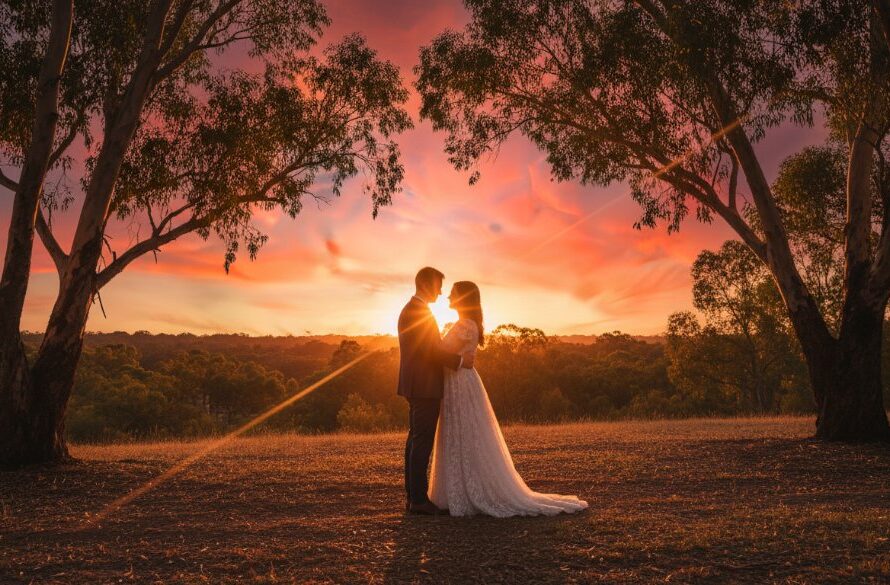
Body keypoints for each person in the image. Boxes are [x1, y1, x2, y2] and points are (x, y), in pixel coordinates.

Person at [429, 281, 588, 517]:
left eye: (453, 293)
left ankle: (467, 490)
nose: (448, 297)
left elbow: (438, 351)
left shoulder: (464, 325)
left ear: (463, 298)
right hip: (461, 380)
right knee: (463, 434)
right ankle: (457, 487)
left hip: (459, 382)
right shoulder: (469, 323)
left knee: (463, 433)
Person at [397, 267, 475, 515]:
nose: (441, 292)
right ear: (427, 284)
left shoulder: (414, 310)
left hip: (417, 383)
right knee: (421, 441)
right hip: (423, 384)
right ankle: (418, 500)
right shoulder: (417, 312)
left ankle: (414, 497)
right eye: (439, 286)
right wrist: (461, 362)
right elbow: (429, 351)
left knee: (415, 439)